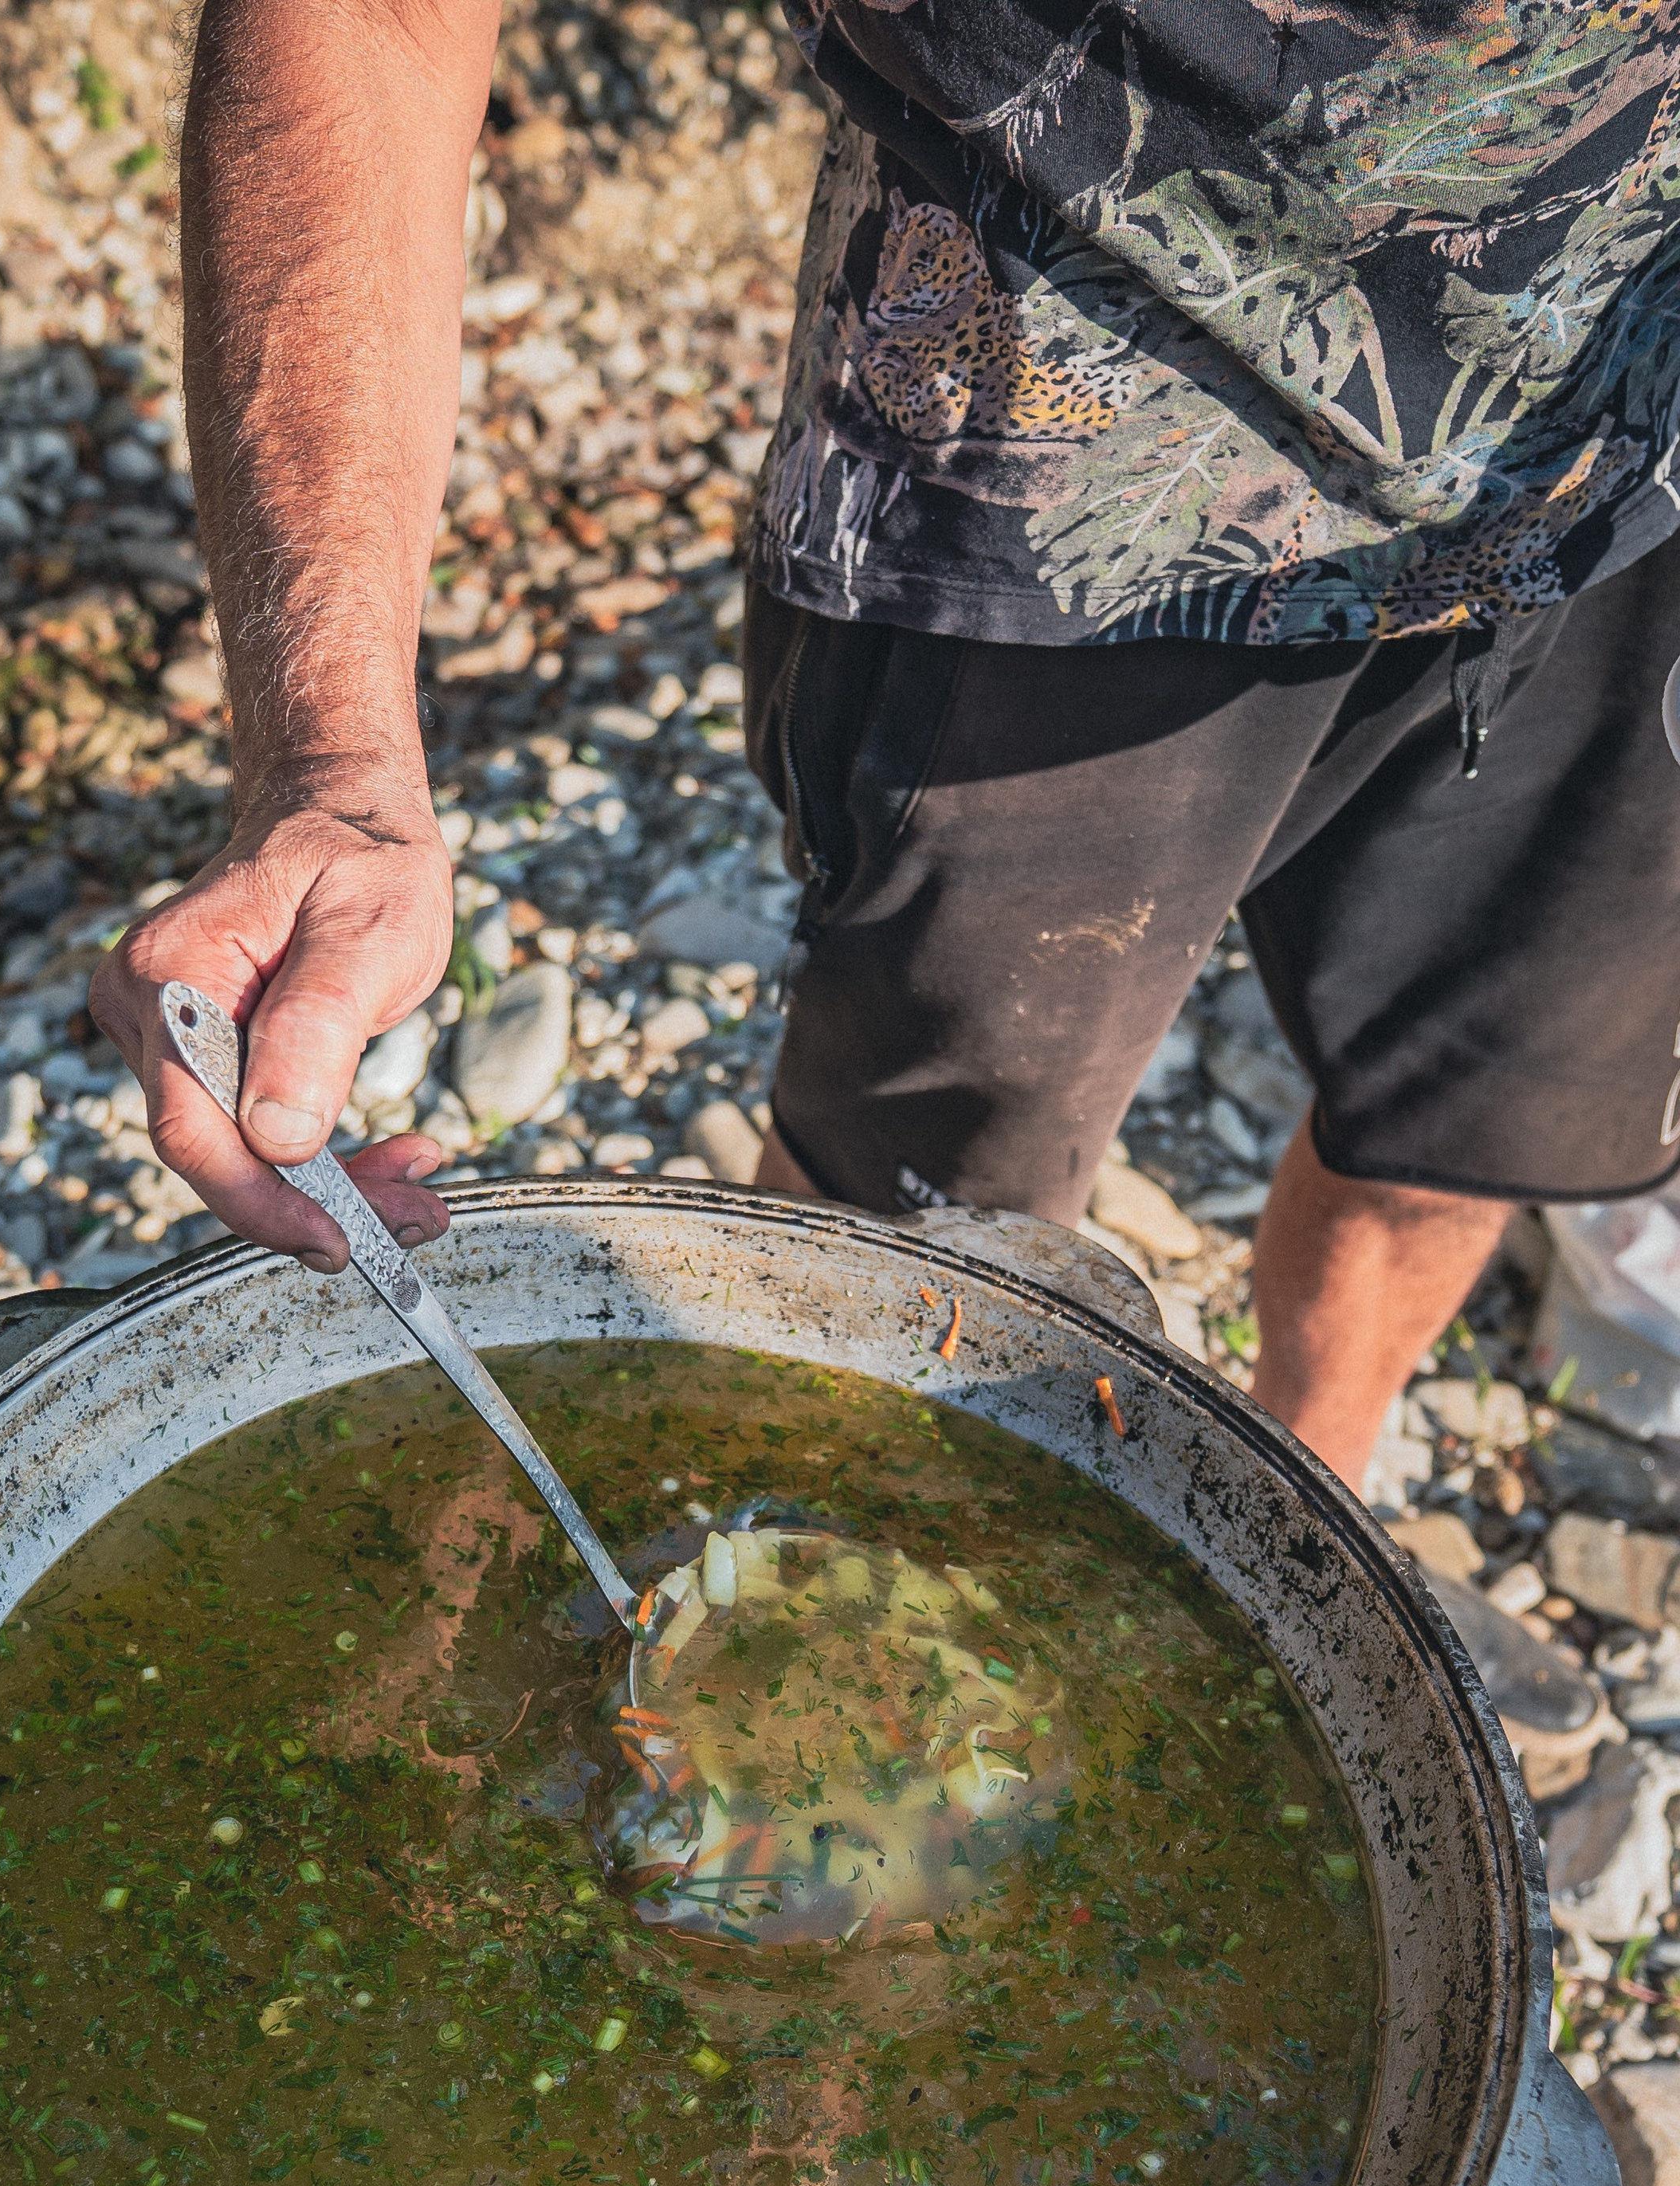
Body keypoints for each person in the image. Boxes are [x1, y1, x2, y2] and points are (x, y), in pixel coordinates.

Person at [90, 0, 1680, 1500]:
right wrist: (333, 771)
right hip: (1062, 451)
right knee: (912, 1203)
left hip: (1638, 453)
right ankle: (782, 1554)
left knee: (1470, 1105)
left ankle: (1309, 1488)